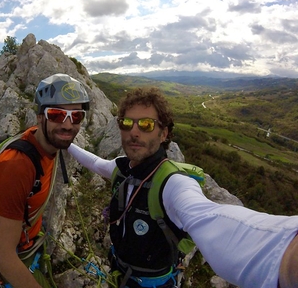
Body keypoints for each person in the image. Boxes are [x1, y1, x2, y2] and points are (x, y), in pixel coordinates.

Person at [67, 87, 298, 288]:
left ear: (164, 133)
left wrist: (285, 256)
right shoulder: (122, 169)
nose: (134, 131)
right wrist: (66, 144)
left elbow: (210, 217)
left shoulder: (173, 184)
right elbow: (97, 164)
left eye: (146, 124)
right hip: (119, 270)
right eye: (127, 123)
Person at [0, 73, 90, 288]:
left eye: (76, 116)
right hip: (13, 255)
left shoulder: (46, 142)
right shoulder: (16, 166)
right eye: (57, 114)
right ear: (40, 117)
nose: (68, 125)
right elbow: (4, 256)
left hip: (29, 243)